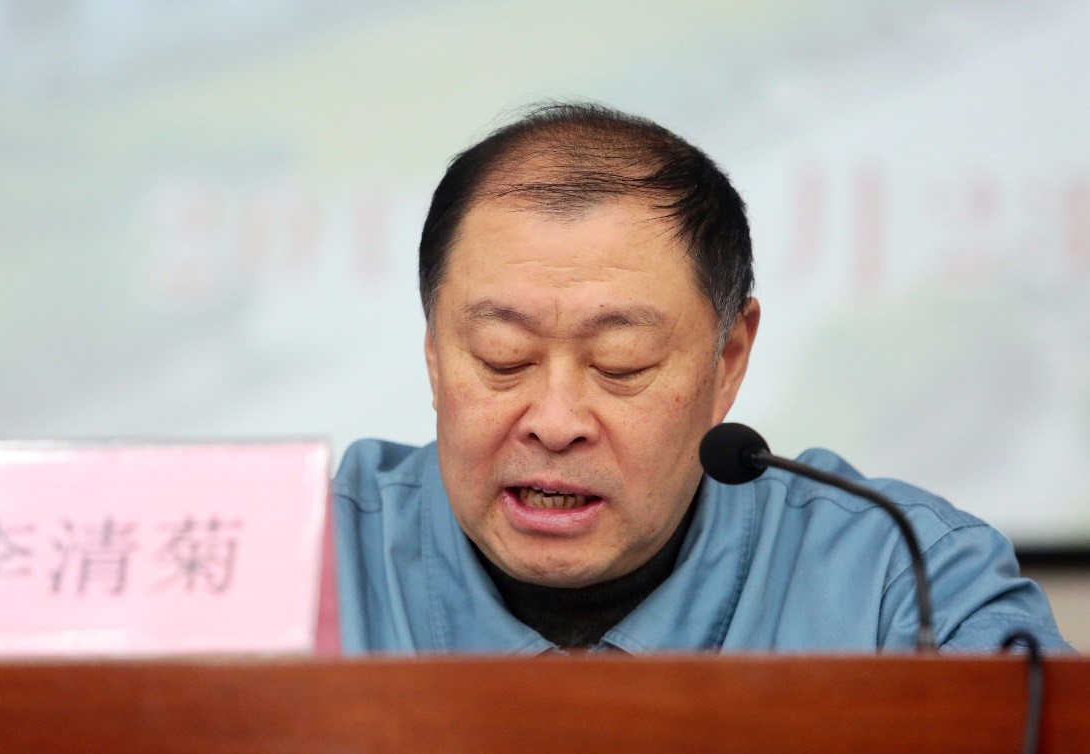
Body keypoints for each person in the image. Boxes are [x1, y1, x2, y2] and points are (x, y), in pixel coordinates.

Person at [333, 102, 1069, 654]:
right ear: (435, 354)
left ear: (728, 361)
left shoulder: (900, 583)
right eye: (504, 357)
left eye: (621, 365)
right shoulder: (311, 560)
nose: (555, 423)